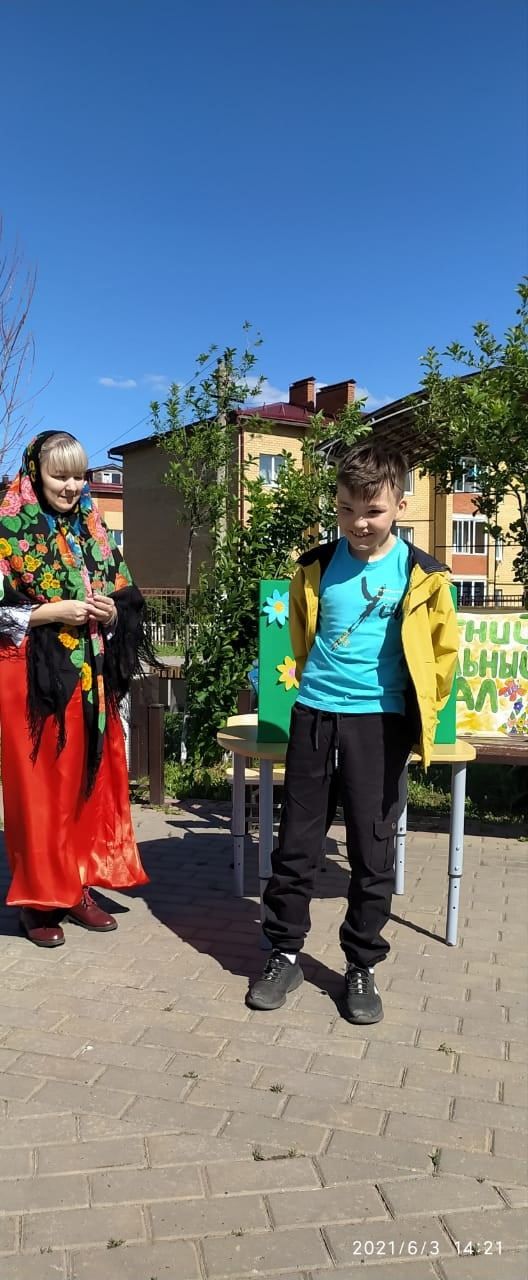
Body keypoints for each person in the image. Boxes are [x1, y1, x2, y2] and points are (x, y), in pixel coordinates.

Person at [246, 440, 459, 1023]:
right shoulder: (314, 566)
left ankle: (361, 962)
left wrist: (426, 720)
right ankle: (284, 952)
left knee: (372, 847)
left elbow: (443, 656)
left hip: (380, 724)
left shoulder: (425, 577)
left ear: (400, 505)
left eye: (373, 511)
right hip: (314, 715)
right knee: (297, 844)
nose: (359, 523)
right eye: (346, 509)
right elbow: (296, 640)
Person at [0, 430, 152, 947]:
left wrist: (112, 610)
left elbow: (120, 587)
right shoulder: (8, 526)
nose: (70, 486)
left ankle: (77, 884)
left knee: (88, 782)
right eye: (59, 475)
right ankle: (40, 899)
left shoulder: (92, 524)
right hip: (30, 677)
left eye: (78, 476)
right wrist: (50, 613)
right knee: (40, 789)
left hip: (90, 675)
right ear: (35, 473)